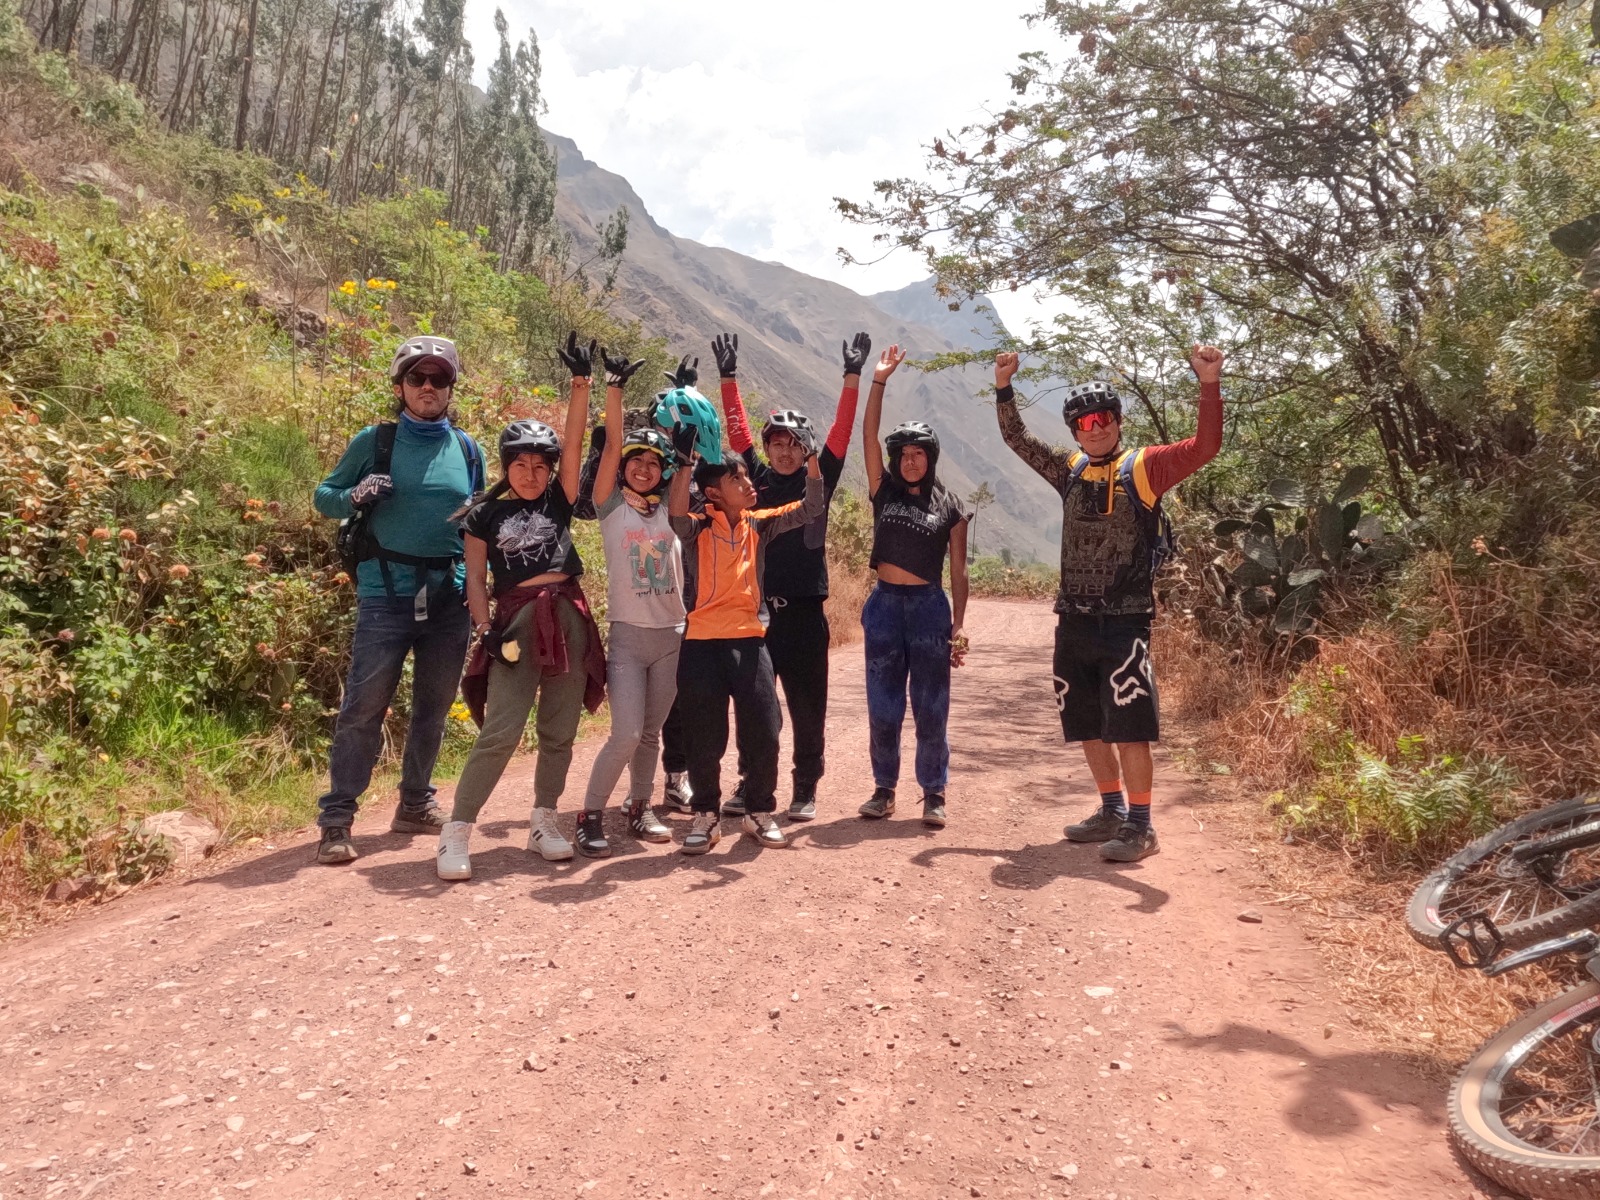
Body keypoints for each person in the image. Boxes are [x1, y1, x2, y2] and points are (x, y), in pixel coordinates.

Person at [992, 344, 1224, 862]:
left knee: (1129, 723)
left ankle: (1142, 826)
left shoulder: (1145, 467)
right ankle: (1111, 811)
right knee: (1086, 722)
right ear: (1074, 430)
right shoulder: (1070, 468)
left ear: (1117, 421)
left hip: (1125, 620)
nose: (1094, 428)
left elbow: (1205, 446)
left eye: (1102, 418)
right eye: (1083, 421)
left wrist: (1209, 383)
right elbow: (1018, 440)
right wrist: (1004, 387)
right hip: (1072, 616)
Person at [434, 333, 606, 880]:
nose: (531, 474)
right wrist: (484, 627)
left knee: (559, 729)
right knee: (502, 730)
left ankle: (544, 821)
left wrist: (581, 385)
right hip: (516, 623)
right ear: (506, 467)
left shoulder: (559, 497)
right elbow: (477, 579)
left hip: (569, 615)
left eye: (540, 466)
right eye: (521, 465)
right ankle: (457, 831)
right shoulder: (483, 516)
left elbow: (576, 445)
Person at [311, 335, 486, 865]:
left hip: (449, 598)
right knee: (363, 709)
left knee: (433, 708)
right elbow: (325, 496)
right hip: (385, 595)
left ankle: (414, 802)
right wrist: (356, 494)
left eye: (439, 379)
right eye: (417, 378)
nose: (428, 387)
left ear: (451, 388)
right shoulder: (375, 441)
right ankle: (337, 819)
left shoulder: (467, 448)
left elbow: (476, 517)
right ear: (400, 386)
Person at [710, 331, 870, 822]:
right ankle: (751, 784)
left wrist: (852, 376)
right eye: (776, 444)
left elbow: (841, 433)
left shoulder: (817, 479)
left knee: (807, 708)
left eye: (793, 445)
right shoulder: (753, 480)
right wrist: (729, 377)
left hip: (804, 613)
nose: (783, 452)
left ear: (805, 451)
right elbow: (737, 432)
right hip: (756, 614)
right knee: (757, 710)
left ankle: (805, 789)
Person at [668, 423, 825, 855]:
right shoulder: (697, 529)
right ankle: (706, 815)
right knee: (704, 735)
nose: (748, 483)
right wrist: (684, 465)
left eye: (746, 476)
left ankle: (759, 811)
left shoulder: (759, 525)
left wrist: (812, 457)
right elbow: (676, 514)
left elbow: (812, 506)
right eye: (736, 479)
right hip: (700, 643)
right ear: (714, 493)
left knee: (765, 729)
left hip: (752, 641)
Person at [569, 349, 688, 857]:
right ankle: (589, 813)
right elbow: (612, 446)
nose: (642, 468)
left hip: (672, 636)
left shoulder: (673, 513)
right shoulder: (611, 509)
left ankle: (641, 808)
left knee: (651, 734)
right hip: (628, 636)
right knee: (625, 732)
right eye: (636, 462)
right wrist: (612, 387)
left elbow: (689, 464)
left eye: (652, 463)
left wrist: (686, 454)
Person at [859, 345, 970, 829]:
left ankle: (934, 793)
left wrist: (959, 626)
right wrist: (878, 380)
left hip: (928, 609)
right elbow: (867, 434)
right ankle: (884, 791)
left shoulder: (951, 506)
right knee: (882, 706)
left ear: (931, 458)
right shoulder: (881, 490)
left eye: (917, 454)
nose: (909, 461)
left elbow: (960, 571)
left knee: (930, 705)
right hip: (884, 606)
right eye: (902, 454)